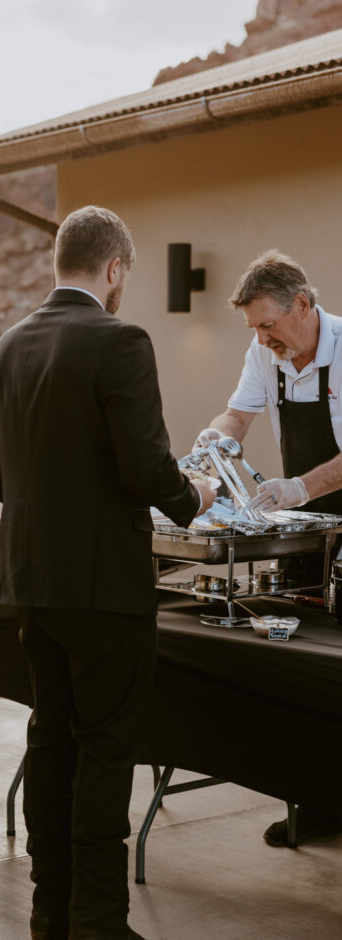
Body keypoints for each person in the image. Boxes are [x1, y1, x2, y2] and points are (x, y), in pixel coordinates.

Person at [0, 206, 214, 940]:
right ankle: (100, 928)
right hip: (104, 586)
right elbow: (147, 468)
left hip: (29, 580)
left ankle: (51, 914)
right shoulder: (120, 341)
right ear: (113, 269)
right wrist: (195, 496)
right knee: (107, 750)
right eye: (125, 277)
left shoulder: (3, 348)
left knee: (51, 739)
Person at [193, 250, 342, 848]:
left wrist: (300, 487)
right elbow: (239, 413)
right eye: (255, 328)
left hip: (317, 500)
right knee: (302, 671)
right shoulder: (265, 352)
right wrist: (212, 442)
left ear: (303, 306)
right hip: (305, 524)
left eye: (268, 325)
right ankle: (319, 801)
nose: (262, 338)